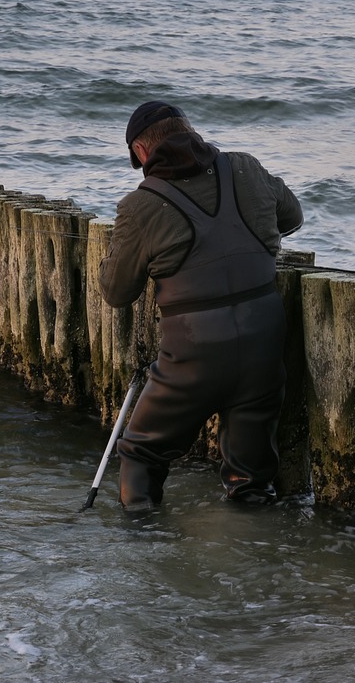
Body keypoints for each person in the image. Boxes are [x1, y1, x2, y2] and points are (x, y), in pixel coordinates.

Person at [99, 101, 303, 512]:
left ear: (141, 153)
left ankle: (144, 554)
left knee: (141, 453)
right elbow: (292, 216)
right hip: (264, 339)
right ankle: (256, 555)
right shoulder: (245, 167)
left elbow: (116, 291)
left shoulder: (139, 206)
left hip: (193, 354)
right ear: (189, 130)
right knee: (252, 478)